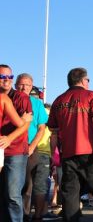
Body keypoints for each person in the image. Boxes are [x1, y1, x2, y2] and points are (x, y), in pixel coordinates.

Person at [47, 67, 93, 222]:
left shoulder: (58, 100)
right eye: (88, 80)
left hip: (68, 154)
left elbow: (53, 133)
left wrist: (52, 155)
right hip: (91, 152)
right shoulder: (91, 95)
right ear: (83, 80)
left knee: (70, 194)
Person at [15, 74, 52, 221]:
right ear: (15, 85)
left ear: (32, 87)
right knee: (20, 186)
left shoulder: (37, 104)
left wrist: (32, 146)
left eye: (28, 85)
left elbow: (42, 128)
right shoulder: (10, 100)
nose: (24, 88)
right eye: (21, 84)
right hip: (14, 148)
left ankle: (37, 216)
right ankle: (22, 215)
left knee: (37, 185)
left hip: (33, 149)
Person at [0, 64, 33, 222]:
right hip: (0, 150)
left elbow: (25, 124)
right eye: (2, 77)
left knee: (13, 194)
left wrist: (9, 138)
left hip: (15, 151)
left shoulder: (21, 98)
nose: (7, 80)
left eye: (9, 77)